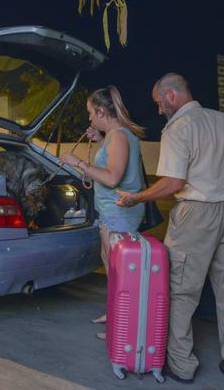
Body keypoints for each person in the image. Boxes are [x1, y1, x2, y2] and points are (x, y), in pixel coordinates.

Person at [116, 73, 224, 388]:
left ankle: (182, 365)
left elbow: (173, 183)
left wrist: (136, 197)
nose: (159, 110)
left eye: (158, 103)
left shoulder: (179, 128)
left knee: (181, 292)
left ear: (170, 95)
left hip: (197, 215)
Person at [59, 85, 145, 340]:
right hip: (112, 212)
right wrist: (98, 139)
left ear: (100, 110)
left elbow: (112, 177)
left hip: (119, 213)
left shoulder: (119, 135)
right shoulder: (115, 135)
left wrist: (80, 164)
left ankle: (121, 326)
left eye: (90, 113)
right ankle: (115, 313)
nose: (89, 118)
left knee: (119, 272)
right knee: (112, 267)